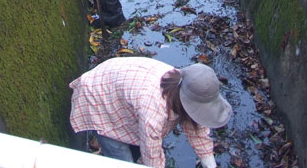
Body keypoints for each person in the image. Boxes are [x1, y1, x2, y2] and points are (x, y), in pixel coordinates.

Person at [69, 57, 232, 168]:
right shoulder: (154, 111)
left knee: (134, 148)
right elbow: (151, 152)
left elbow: (196, 126)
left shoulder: (186, 85)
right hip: (99, 97)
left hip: (123, 91)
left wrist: (209, 162)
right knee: (123, 161)